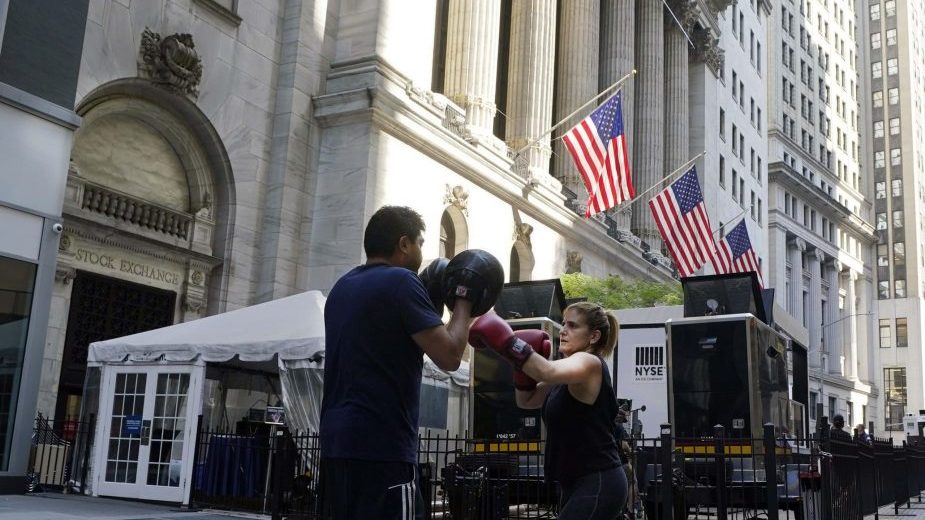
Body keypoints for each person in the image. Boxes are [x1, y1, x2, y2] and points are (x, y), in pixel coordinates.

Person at [319, 206, 473, 519]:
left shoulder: (341, 287)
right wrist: (464, 300)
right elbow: (450, 356)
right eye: (420, 242)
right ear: (404, 244)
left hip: (336, 445)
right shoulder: (402, 282)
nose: (422, 251)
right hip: (381, 444)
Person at [469, 302, 628, 519]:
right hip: (573, 481)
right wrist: (519, 367)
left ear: (593, 337)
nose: (563, 330)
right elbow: (526, 400)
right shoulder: (567, 375)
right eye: (563, 324)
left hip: (598, 479)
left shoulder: (589, 362)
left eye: (573, 326)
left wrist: (508, 341)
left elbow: (547, 370)